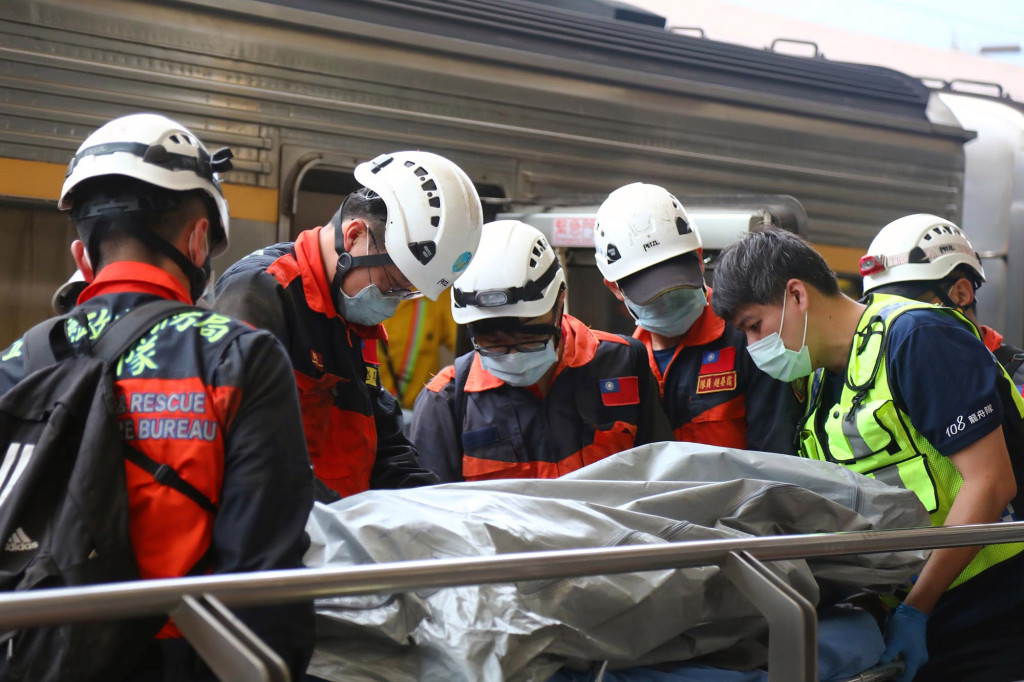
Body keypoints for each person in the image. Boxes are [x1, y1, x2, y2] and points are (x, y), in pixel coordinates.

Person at [0, 114, 315, 678]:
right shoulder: (239, 357)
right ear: (198, 240)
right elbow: (264, 583)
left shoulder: (15, 364)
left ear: (82, 256)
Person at [711, 227, 1024, 682]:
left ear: (797, 294)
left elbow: (990, 483)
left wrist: (916, 609)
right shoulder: (824, 380)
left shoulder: (916, 337)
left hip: (993, 608)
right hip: (920, 607)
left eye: (755, 326)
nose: (755, 346)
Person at [215, 151, 483, 499]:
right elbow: (247, 451)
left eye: (408, 292)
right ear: (354, 236)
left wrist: (435, 505)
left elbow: (381, 441)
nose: (394, 301)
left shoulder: (349, 315)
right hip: (293, 536)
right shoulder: (261, 293)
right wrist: (337, 519)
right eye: (392, 284)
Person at [410, 220, 672, 482]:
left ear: (558, 305)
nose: (512, 354)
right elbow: (431, 514)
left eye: (527, 337)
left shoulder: (623, 363)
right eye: (493, 341)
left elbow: (664, 479)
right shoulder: (447, 401)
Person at [594, 183, 798, 454]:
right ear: (615, 288)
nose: (667, 298)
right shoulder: (623, 365)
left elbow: (776, 456)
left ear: (699, 259)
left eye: (676, 284)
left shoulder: (750, 337)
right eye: (652, 293)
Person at [861, 213, 1024, 391]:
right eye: (883, 311)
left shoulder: (1018, 379)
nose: (897, 324)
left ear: (961, 294)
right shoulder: (875, 380)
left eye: (910, 309)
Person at [379, 297, 459, 410]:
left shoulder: (436, 296)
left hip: (415, 413)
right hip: (365, 409)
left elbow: (469, 351)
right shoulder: (363, 294)